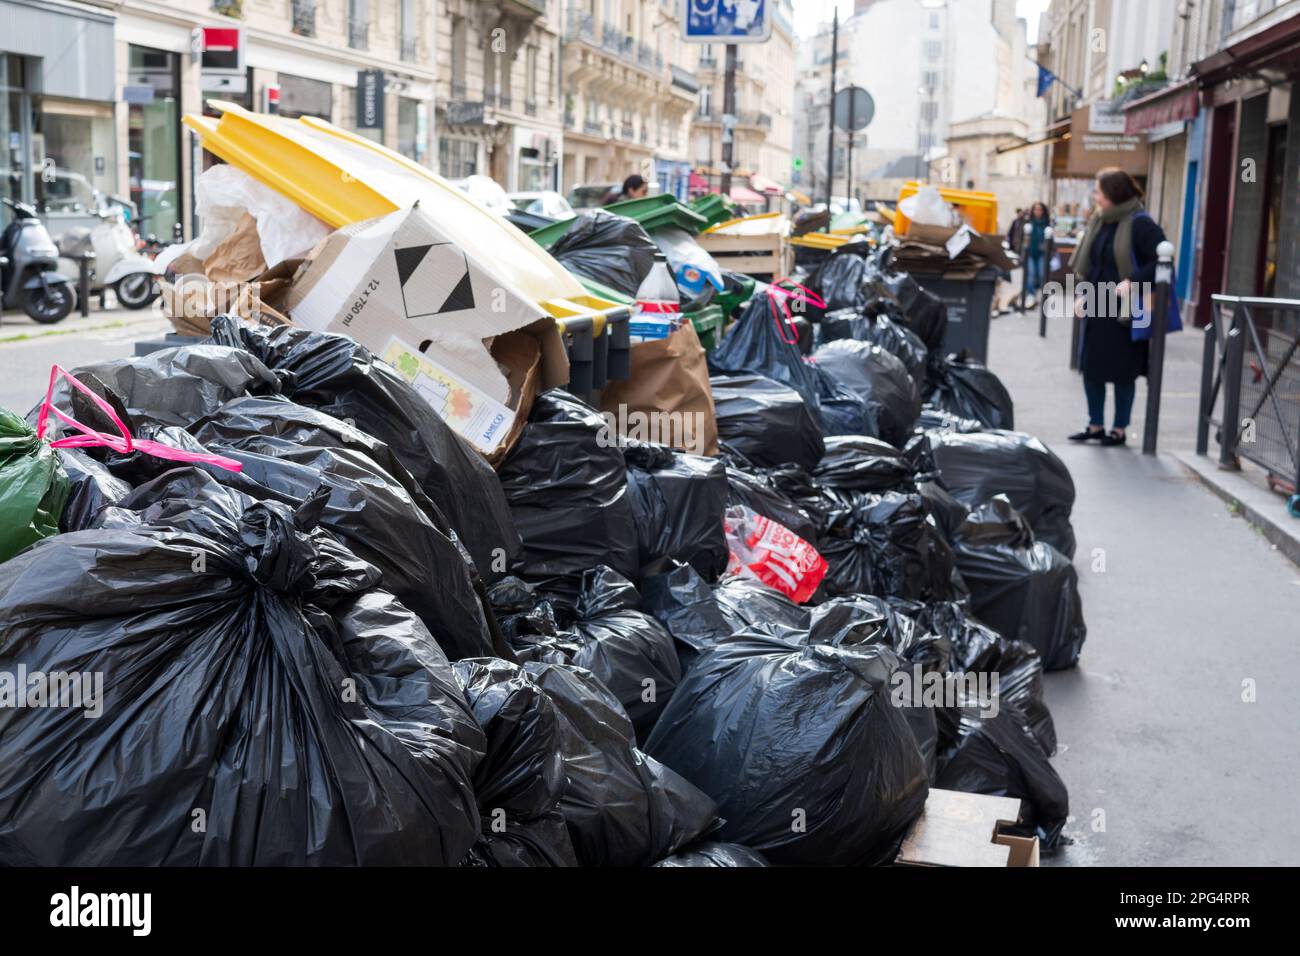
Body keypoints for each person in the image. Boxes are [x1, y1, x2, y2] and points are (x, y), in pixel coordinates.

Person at [1068, 167, 1167, 447]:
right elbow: (1094, 265)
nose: (1095, 197)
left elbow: (1161, 260)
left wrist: (1133, 281)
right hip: (1098, 304)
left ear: (1114, 193)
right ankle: (1095, 424)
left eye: (1099, 191)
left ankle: (1119, 429)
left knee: (1123, 370)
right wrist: (1082, 295)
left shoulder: (1140, 223)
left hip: (1127, 308)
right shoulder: (1101, 221)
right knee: (1091, 367)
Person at [1023, 201, 1053, 305]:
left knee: (1041, 273)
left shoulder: (1047, 224)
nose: (1038, 211)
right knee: (1031, 274)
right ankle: (1031, 294)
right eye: (1036, 209)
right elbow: (1023, 238)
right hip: (1030, 252)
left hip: (1042, 253)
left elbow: (1051, 241)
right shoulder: (1029, 223)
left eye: (1040, 209)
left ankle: (1040, 293)